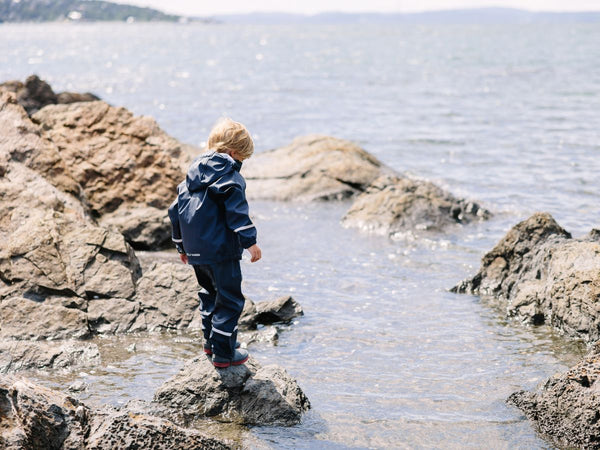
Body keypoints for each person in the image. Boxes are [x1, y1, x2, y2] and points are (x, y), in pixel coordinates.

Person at [168, 118, 261, 369]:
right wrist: (250, 242)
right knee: (229, 299)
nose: (241, 164)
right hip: (222, 251)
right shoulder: (229, 178)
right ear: (232, 153)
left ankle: (211, 342)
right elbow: (237, 213)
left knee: (208, 295)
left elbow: (175, 211)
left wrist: (181, 246)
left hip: (197, 252)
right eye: (242, 158)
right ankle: (224, 353)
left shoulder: (190, 178)